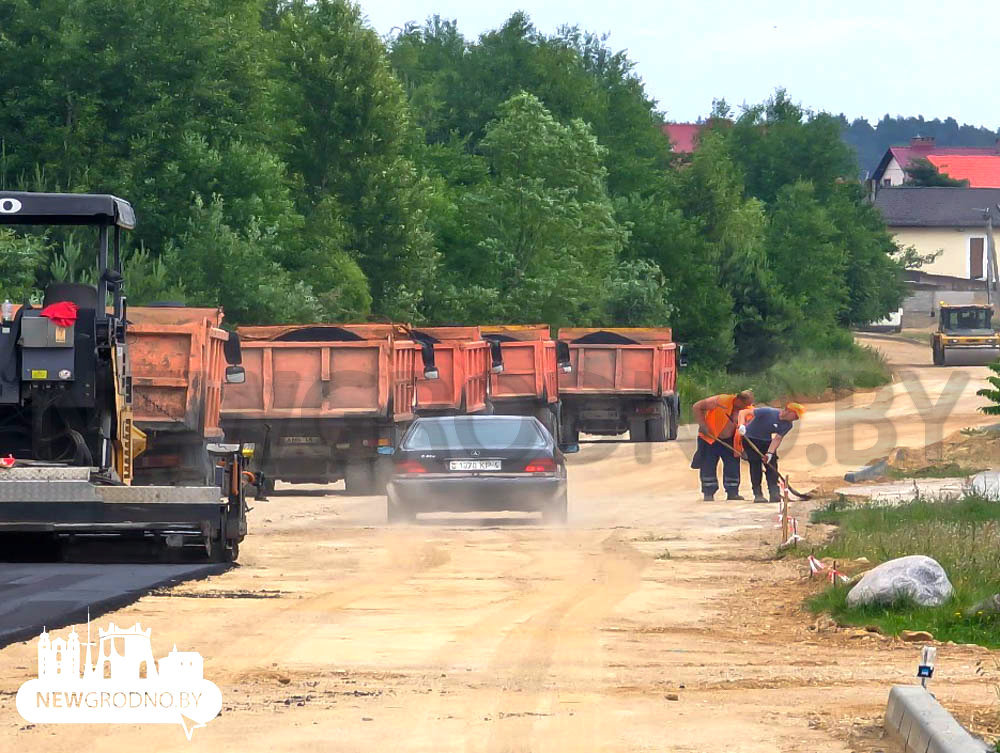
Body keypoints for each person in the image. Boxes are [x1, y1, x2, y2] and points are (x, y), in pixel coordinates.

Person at [691, 390, 754, 501]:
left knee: (732, 466)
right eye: (745, 404)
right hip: (710, 438)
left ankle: (732, 492)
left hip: (731, 442)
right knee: (708, 464)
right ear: (738, 400)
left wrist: (744, 450)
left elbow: (748, 432)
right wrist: (703, 425)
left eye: (748, 404)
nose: (747, 406)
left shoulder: (748, 411)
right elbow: (697, 406)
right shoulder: (720, 400)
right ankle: (708, 493)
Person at [735, 402, 805, 503]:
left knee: (771, 465)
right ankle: (758, 494)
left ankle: (774, 494)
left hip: (766, 441)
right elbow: (743, 412)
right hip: (750, 438)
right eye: (795, 416)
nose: (796, 419)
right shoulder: (768, 412)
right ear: (788, 411)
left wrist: (770, 453)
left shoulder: (788, 425)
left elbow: (777, 438)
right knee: (755, 465)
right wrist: (741, 425)